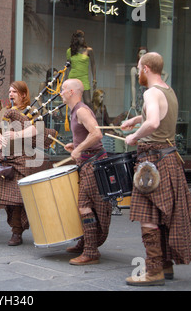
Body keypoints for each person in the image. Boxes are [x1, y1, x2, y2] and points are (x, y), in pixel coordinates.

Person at [122, 52, 191, 286]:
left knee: (148, 216)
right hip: (169, 159)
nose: (137, 72)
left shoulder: (151, 92)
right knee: (163, 215)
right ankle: (165, 265)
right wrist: (135, 120)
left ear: (145, 68)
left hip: (152, 161)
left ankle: (153, 271)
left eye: (138, 67)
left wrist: (134, 136)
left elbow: (153, 122)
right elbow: (157, 116)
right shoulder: (168, 91)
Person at [0, 81, 56, 246]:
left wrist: (16, 135)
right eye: (10, 91)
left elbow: (36, 129)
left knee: (17, 199)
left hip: (23, 160)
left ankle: (16, 233)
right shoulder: (6, 112)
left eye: (14, 92)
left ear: (23, 94)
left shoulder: (32, 111)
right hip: (5, 159)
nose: (10, 94)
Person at [60, 79, 112, 265]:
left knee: (84, 205)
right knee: (85, 204)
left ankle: (91, 251)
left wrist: (79, 148)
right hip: (88, 162)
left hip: (93, 163)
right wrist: (74, 146)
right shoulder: (76, 111)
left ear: (73, 92)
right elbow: (89, 135)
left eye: (63, 89)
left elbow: (97, 133)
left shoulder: (81, 110)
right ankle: (86, 243)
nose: (61, 92)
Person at [130, 47, 169, 115]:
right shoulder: (135, 69)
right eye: (140, 53)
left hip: (151, 91)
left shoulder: (151, 68)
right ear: (138, 55)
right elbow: (133, 86)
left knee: (151, 111)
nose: (142, 55)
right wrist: (133, 101)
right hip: (141, 93)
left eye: (144, 54)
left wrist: (159, 85)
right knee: (141, 113)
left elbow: (166, 74)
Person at [65, 30, 96, 107]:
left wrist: (94, 79)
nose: (82, 39)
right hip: (73, 78)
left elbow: (93, 64)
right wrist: (66, 81)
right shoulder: (70, 51)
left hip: (84, 78)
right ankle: (76, 118)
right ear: (76, 39)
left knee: (88, 101)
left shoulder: (89, 50)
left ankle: (91, 118)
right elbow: (67, 66)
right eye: (80, 37)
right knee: (74, 102)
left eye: (83, 37)